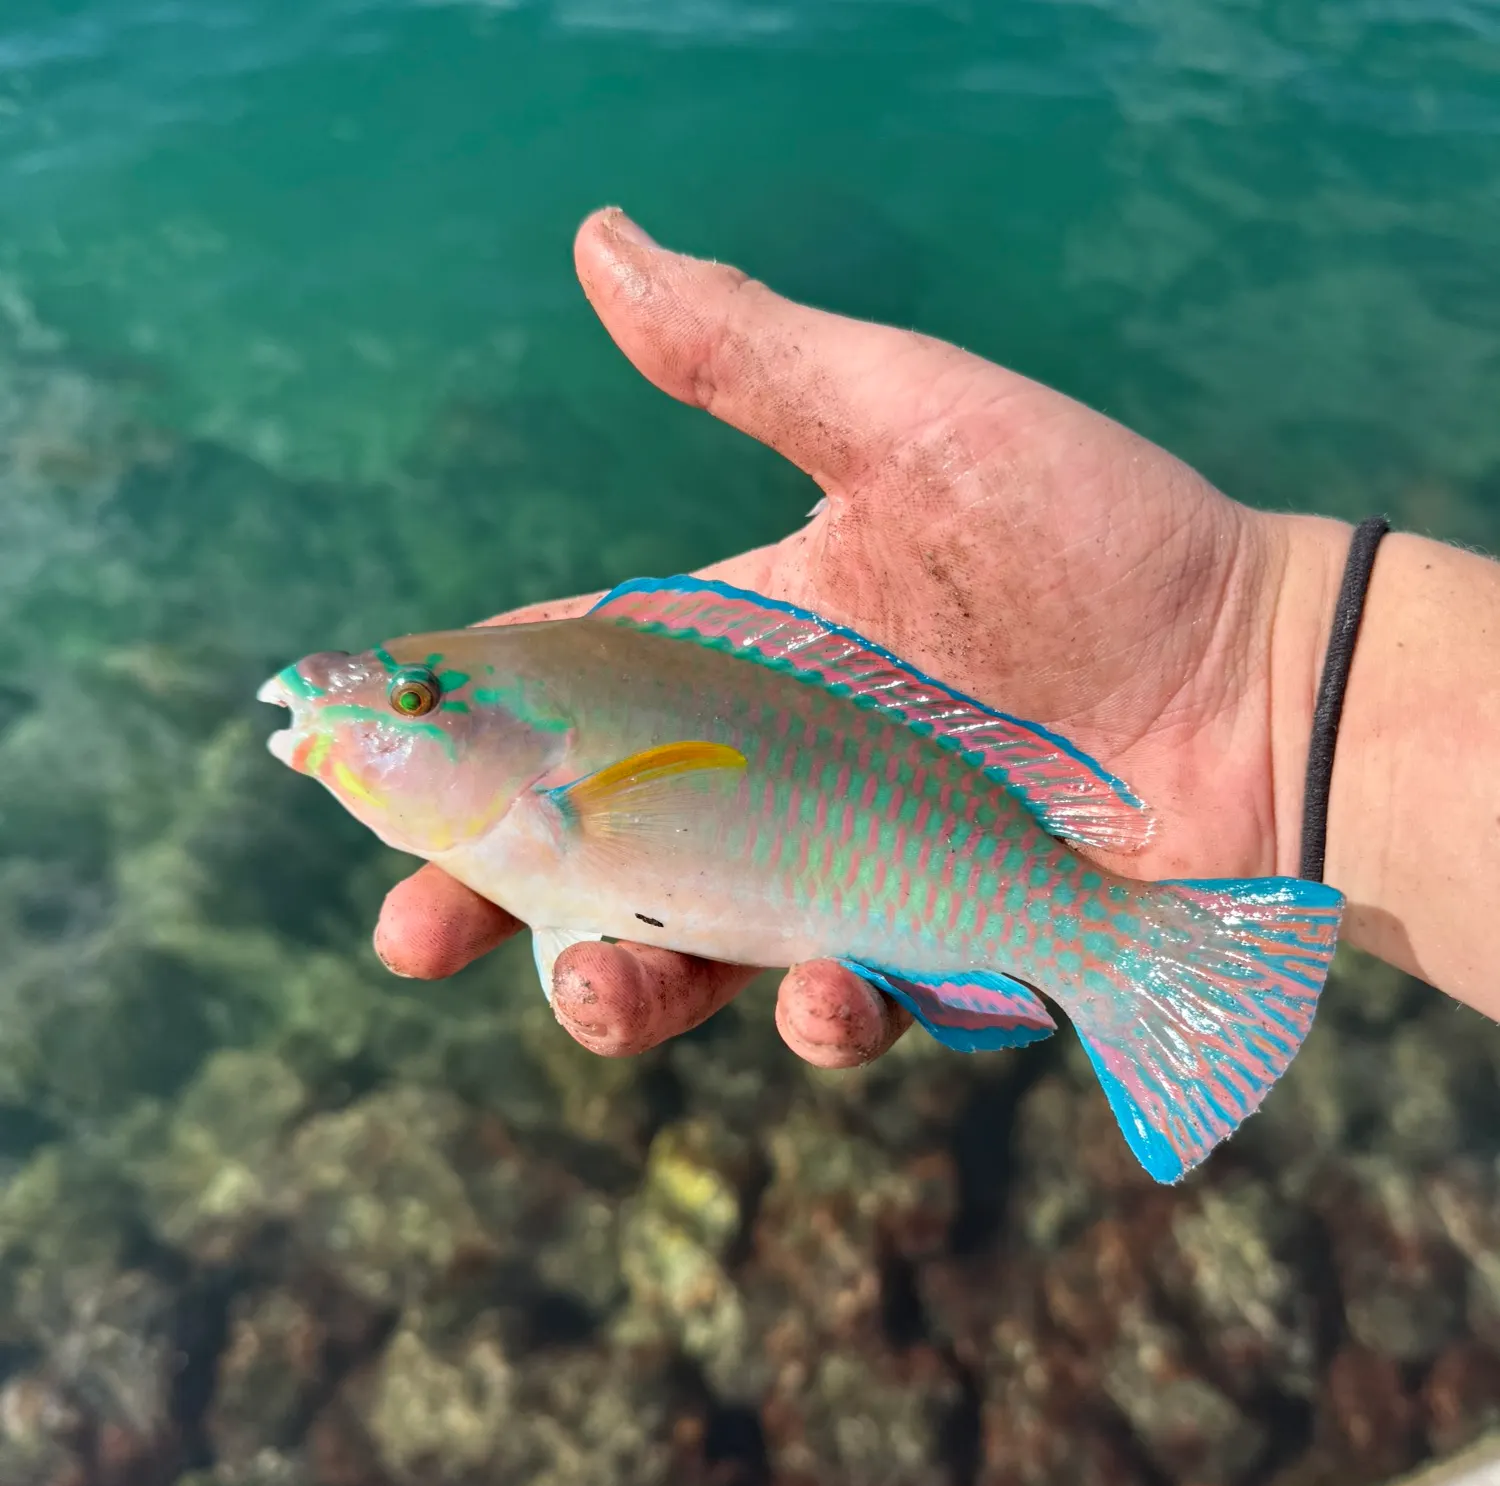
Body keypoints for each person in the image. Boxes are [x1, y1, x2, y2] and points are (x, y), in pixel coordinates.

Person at [373, 206, 1500, 1065]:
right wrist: (1282, 667)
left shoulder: (559, 765)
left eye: (415, 698)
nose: (359, 707)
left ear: (525, 738)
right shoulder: (541, 775)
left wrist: (1255, 646)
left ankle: (1107, 951)